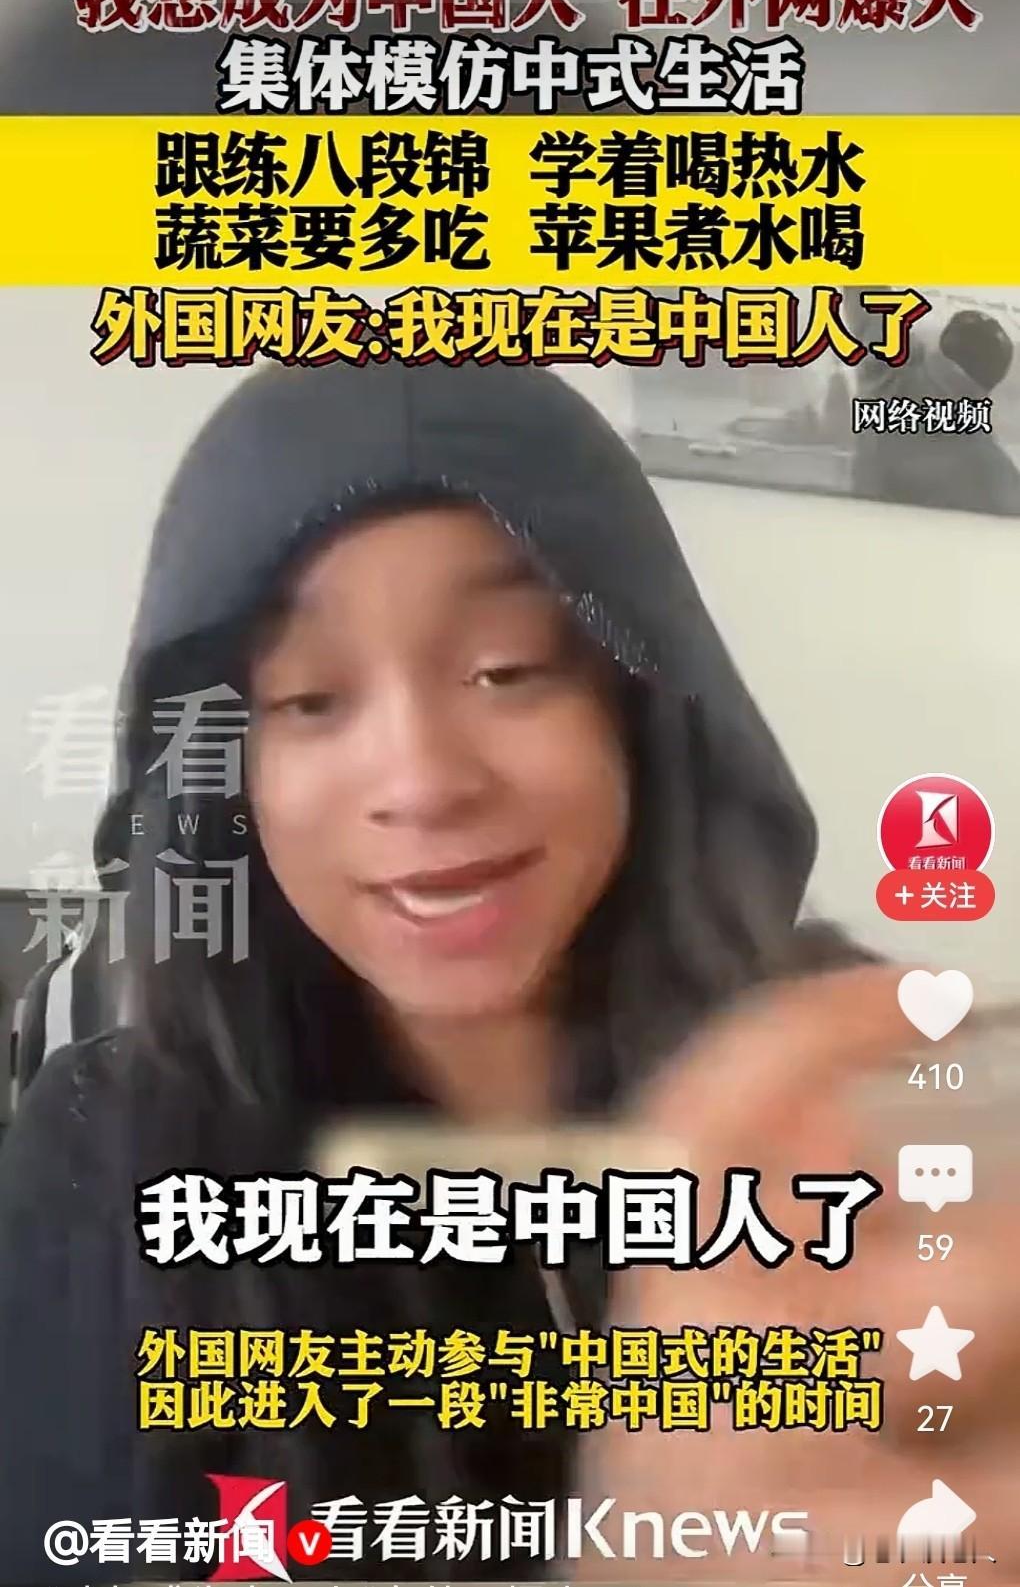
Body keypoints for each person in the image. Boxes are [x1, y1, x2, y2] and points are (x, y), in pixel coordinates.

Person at [0, 362, 1014, 1585]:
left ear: (637, 699)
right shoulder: (100, 1158)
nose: (422, 779)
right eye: (309, 697)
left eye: (507, 667)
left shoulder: (862, 1095)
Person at [843, 286, 1020, 515]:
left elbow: (868, 297)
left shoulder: (890, 377)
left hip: (855, 526)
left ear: (942, 347)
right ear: (992, 380)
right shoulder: (994, 470)